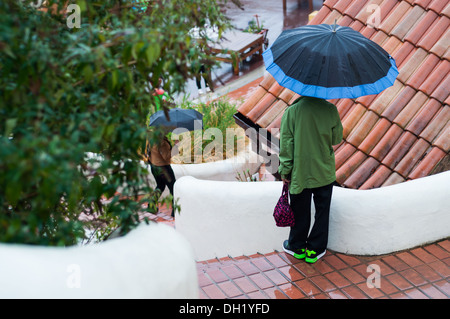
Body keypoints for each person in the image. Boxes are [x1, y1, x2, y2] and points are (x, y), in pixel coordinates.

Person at [278, 96, 343, 264]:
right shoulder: (330, 110)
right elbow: (337, 139)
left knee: (300, 209)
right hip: (324, 170)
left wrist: (285, 171)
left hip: (300, 172)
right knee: (322, 211)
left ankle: (297, 247)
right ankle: (315, 249)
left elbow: (286, 145)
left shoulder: (292, 112)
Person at [146, 133, 177, 217]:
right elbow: (166, 157)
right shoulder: (162, 142)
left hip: (154, 166)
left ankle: (151, 206)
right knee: (173, 188)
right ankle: (175, 212)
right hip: (164, 169)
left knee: (160, 186)